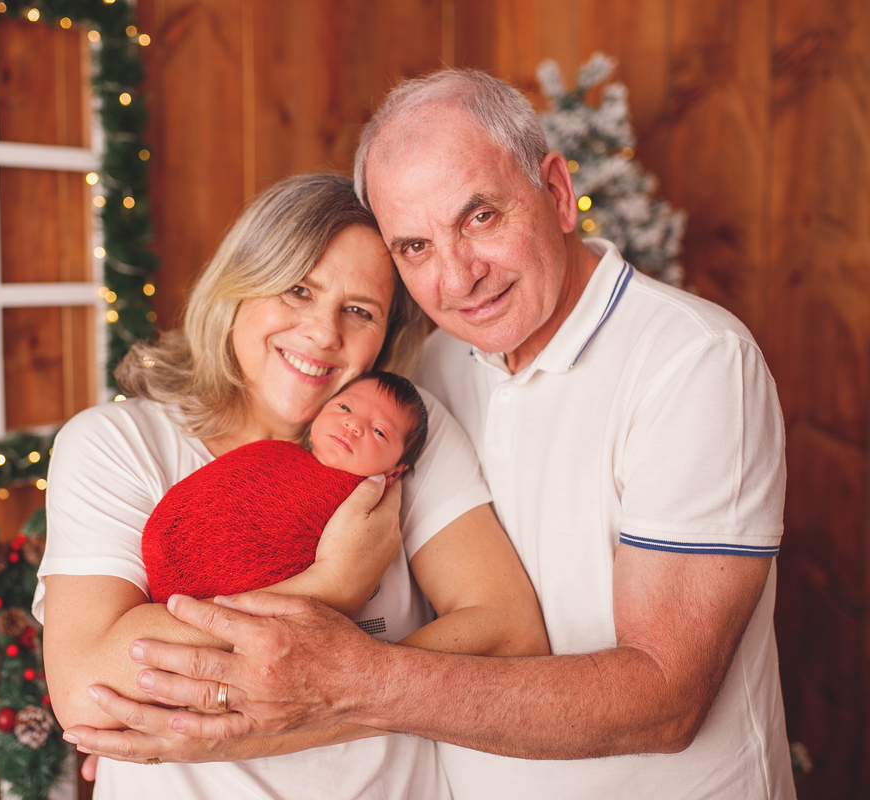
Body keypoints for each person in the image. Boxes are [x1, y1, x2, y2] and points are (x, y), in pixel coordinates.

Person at [66, 70, 795, 799]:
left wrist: (257, 711)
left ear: (560, 193)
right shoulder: (434, 369)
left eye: (479, 217)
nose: (459, 277)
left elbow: (663, 699)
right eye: (415, 247)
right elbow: (92, 682)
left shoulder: (694, 363)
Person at [36, 172, 549, 800]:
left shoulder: (399, 430)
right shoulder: (118, 443)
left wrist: (293, 715)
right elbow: (86, 686)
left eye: (359, 311)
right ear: (238, 287)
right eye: (297, 289)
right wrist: (332, 586)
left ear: (385, 337)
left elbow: (508, 629)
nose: (323, 333)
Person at [143, 371, 428, 605]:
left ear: (395, 471)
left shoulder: (360, 510)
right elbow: (217, 490)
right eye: (344, 407)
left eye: (379, 431)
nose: (353, 424)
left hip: (235, 598)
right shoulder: (273, 452)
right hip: (169, 562)